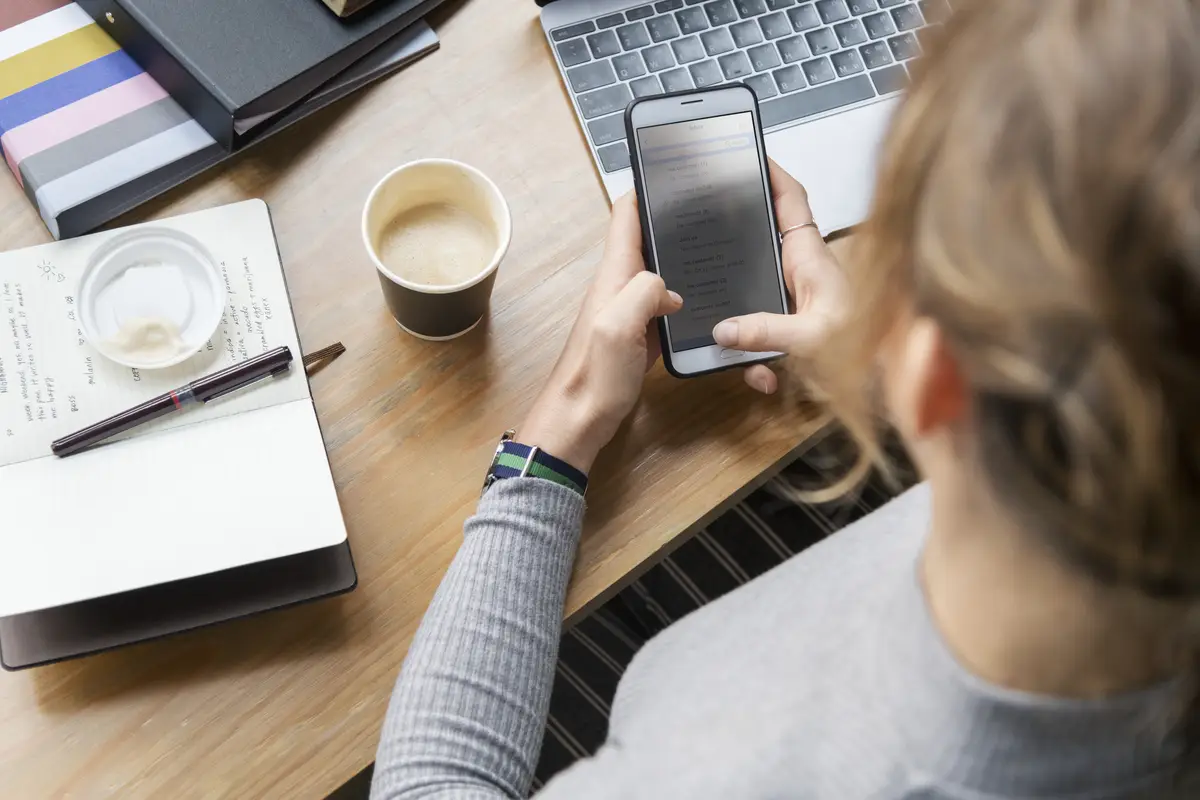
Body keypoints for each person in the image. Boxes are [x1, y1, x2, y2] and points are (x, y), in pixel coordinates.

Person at [371, 1, 1200, 797]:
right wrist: (883, 376)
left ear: (938, 373)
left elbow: (425, 787)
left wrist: (562, 427)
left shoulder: (729, 773)